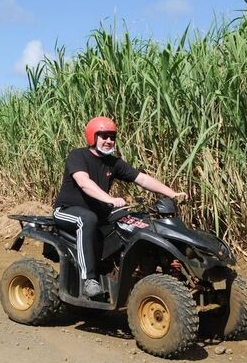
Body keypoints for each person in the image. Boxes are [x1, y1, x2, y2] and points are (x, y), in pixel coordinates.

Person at [52, 116, 186, 298]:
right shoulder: (78, 155)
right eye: (104, 136)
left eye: (112, 137)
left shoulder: (113, 163)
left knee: (135, 219)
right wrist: (109, 199)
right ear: (93, 137)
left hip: (99, 213)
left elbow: (143, 179)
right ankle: (88, 279)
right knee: (87, 219)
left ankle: (130, 269)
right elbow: (83, 182)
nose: (108, 141)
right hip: (67, 211)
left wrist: (172, 194)